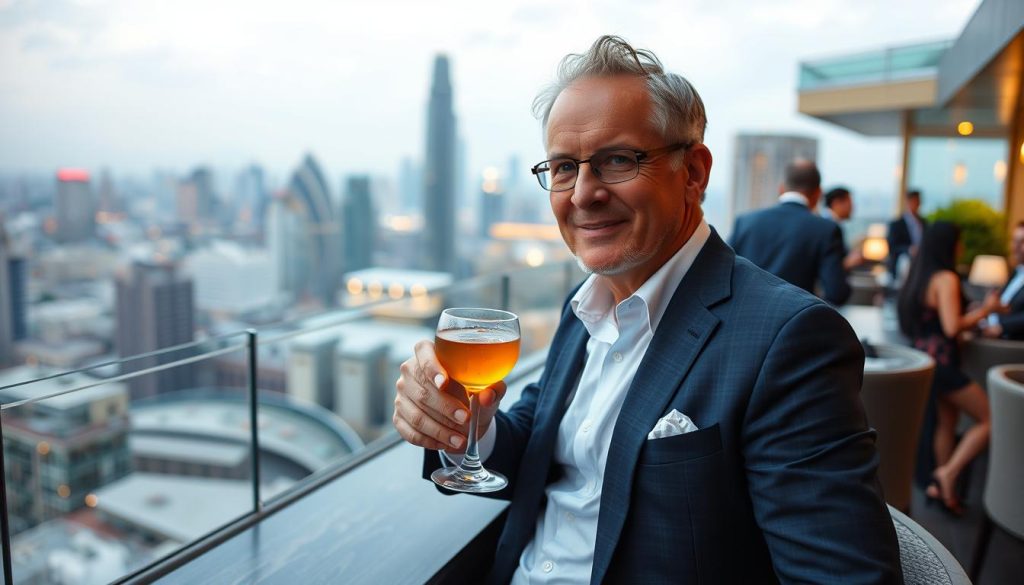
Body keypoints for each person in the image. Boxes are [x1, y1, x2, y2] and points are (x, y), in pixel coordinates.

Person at [394, 35, 901, 584]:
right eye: (564, 167)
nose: (583, 194)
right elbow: (538, 445)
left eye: (617, 160)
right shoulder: (583, 305)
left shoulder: (789, 341)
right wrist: (465, 426)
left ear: (694, 173)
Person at [896, 221, 1002, 515]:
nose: (962, 247)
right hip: (943, 364)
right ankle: (949, 473)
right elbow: (951, 326)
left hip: (927, 361)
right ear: (949, 245)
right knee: (989, 419)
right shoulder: (946, 278)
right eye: (959, 241)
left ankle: (942, 489)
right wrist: (985, 311)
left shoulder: (920, 275)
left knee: (947, 422)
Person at [729, 161, 852, 305]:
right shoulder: (826, 229)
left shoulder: (745, 221)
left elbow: (724, 272)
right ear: (818, 193)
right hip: (797, 322)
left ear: (781, 188)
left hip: (745, 315)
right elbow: (837, 292)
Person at [981, 221, 1024, 340]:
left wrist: (1002, 327)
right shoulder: (1016, 272)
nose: (1015, 247)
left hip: (1012, 342)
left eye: (1022, 242)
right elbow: (1009, 307)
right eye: (1014, 241)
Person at [887, 190, 926, 280]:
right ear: (907, 202)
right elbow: (892, 246)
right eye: (914, 201)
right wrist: (909, 249)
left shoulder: (924, 223)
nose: (917, 204)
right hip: (902, 266)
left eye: (918, 201)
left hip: (920, 266)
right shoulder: (897, 224)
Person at [823, 186, 866, 270]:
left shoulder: (832, 224)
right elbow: (827, 265)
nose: (853, 207)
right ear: (836, 203)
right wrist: (849, 262)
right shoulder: (828, 227)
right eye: (850, 203)